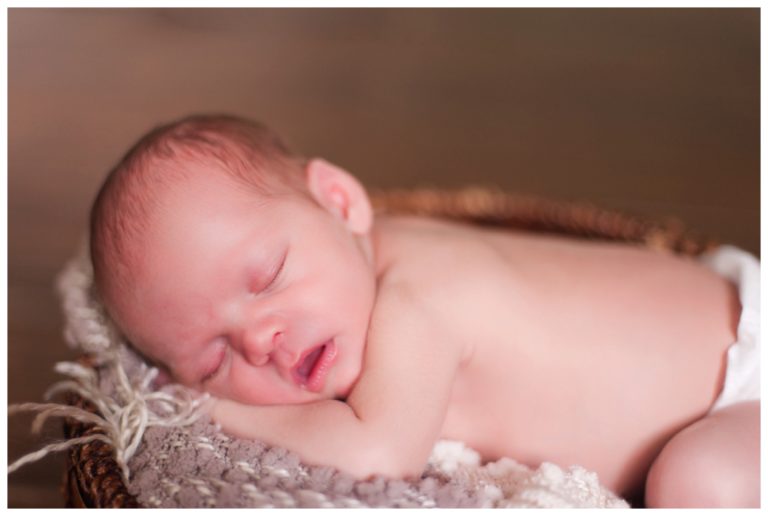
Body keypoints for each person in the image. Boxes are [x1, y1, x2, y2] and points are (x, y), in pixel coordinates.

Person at [89, 114, 760, 507]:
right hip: (711, 326)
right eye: (214, 356)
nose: (260, 338)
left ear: (341, 202)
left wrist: (201, 406)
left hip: (739, 384)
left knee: (698, 483)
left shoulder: (420, 300)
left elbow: (374, 456)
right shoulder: (355, 267)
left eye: (266, 279)